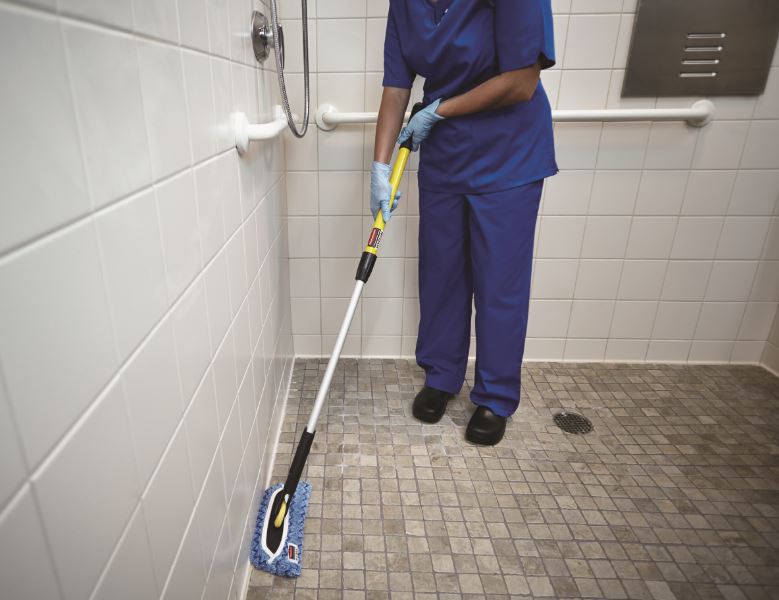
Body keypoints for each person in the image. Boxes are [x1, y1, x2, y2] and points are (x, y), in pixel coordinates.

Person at [370, 0, 558, 445]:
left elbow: (522, 82)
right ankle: (441, 375)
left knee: (499, 281)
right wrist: (380, 166)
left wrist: (440, 111)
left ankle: (495, 396)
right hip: (446, 156)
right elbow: (396, 87)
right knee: (441, 273)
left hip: (509, 153)